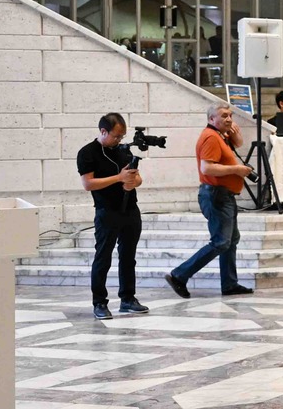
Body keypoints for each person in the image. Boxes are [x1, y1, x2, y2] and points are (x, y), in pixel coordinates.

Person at [166, 102, 253, 300]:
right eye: (224, 116)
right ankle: (179, 275)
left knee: (231, 240)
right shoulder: (211, 137)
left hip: (224, 195)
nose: (229, 119)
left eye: (230, 115)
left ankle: (229, 283)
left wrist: (234, 132)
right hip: (216, 195)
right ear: (211, 119)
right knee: (221, 242)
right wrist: (237, 170)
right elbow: (207, 168)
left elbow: (239, 144)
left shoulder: (220, 135)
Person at [78, 112, 148, 320]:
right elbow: (88, 184)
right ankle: (99, 302)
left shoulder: (123, 151)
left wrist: (133, 182)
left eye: (122, 136)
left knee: (128, 256)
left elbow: (137, 178)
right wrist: (119, 178)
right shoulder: (88, 152)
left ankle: (128, 298)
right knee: (103, 257)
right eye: (116, 136)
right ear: (103, 131)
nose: (119, 140)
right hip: (107, 210)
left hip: (130, 209)